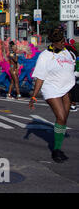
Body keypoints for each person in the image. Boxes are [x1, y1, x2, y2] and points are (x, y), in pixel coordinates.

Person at [29, 28, 75, 163]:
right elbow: (40, 78)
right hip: (51, 89)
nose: (63, 43)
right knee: (60, 117)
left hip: (66, 88)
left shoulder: (67, 52)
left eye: (63, 41)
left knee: (63, 119)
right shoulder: (45, 56)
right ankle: (56, 150)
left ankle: (58, 146)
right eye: (60, 42)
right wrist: (34, 96)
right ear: (53, 43)